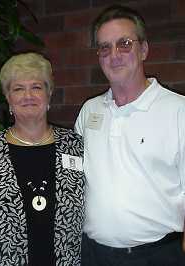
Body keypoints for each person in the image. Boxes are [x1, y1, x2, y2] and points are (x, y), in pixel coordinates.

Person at [75, 4, 185, 266]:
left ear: (143, 50)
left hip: (157, 257)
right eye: (104, 47)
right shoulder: (89, 111)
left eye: (124, 44)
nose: (114, 55)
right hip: (93, 255)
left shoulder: (178, 110)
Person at [0, 52, 85, 266]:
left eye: (36, 87)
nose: (28, 96)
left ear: (49, 94)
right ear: (8, 98)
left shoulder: (76, 146)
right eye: (18, 89)